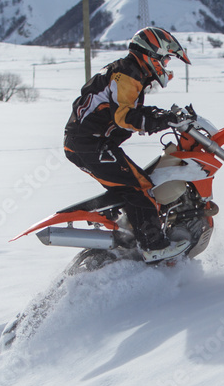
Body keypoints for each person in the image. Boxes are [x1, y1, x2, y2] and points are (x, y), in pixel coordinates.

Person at [63, 27, 192, 262]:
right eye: (164, 58)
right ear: (150, 54)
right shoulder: (128, 74)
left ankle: (135, 235)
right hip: (89, 145)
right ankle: (153, 245)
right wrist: (160, 121)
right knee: (139, 187)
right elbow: (124, 117)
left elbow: (128, 110)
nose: (165, 64)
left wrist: (160, 115)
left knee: (138, 183)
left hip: (94, 143)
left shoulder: (129, 72)